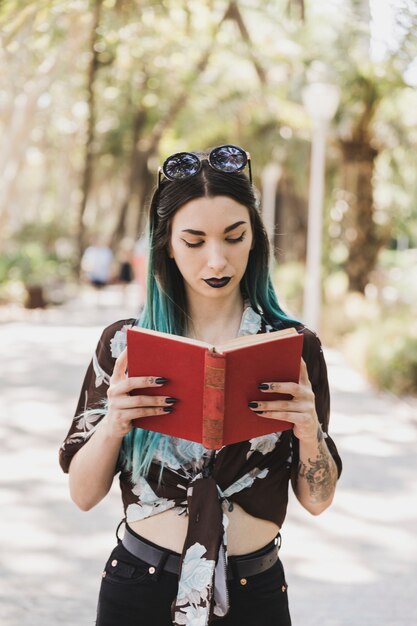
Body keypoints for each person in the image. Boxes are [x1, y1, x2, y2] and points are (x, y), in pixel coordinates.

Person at [60, 144, 342, 626]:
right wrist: (114, 426)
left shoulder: (294, 347)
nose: (217, 260)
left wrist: (309, 432)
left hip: (254, 591)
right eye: (194, 241)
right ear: (166, 243)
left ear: (255, 238)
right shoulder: (123, 345)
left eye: (234, 237)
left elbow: (317, 501)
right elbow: (84, 496)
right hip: (140, 584)